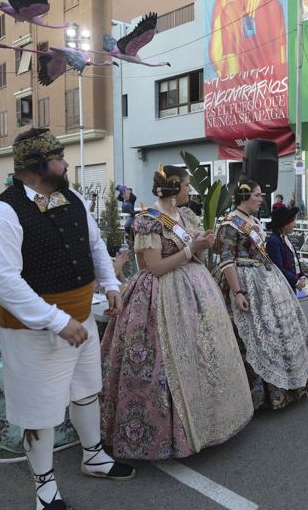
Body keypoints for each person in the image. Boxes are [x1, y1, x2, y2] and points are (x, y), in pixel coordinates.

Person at [0, 129, 135, 510]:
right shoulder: (0, 215)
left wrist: (110, 285)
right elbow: (5, 283)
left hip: (79, 318)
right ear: (37, 165)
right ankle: (45, 485)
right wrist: (58, 321)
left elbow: (95, 245)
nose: (65, 163)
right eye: (58, 157)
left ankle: (93, 455)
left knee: (86, 390)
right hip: (33, 331)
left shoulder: (73, 197)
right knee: (40, 409)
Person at [101, 166, 253, 462]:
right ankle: (173, 433)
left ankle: (213, 420)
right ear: (173, 188)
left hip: (194, 289)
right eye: (185, 185)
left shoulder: (186, 216)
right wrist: (191, 249)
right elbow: (154, 267)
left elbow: (194, 254)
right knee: (166, 360)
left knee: (202, 354)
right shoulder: (147, 220)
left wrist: (202, 247)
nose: (189, 190)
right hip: (159, 296)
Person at [216, 180, 308, 409]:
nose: (261, 199)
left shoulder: (253, 221)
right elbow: (226, 260)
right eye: (257, 195)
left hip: (264, 279)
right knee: (252, 336)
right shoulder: (229, 224)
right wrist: (238, 292)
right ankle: (258, 392)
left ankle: (286, 383)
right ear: (245, 196)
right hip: (243, 283)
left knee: (275, 329)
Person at [265, 205, 307, 291]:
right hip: (283, 287)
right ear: (285, 225)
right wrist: (295, 281)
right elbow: (278, 268)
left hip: (292, 285)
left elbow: (294, 261)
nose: (294, 224)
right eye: (292, 221)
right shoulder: (273, 242)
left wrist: (302, 276)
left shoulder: (285, 238)